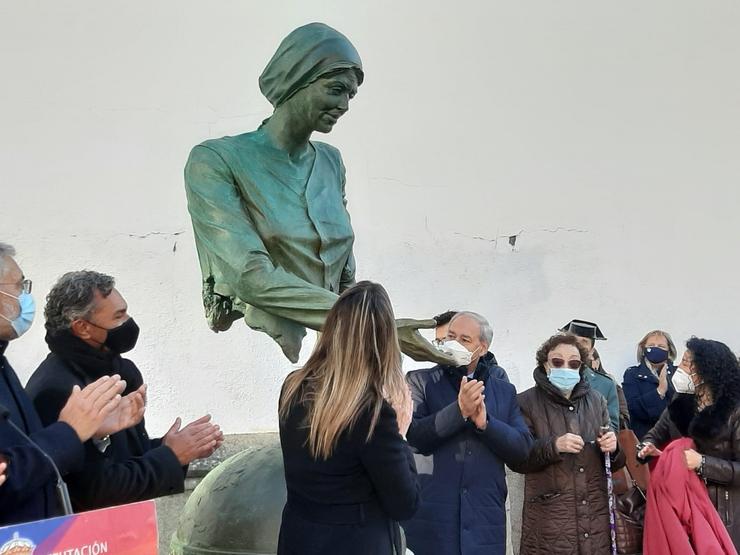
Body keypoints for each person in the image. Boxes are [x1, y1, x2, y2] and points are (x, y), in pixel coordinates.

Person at [184, 22, 450, 366]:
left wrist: (362, 352)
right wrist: (375, 327)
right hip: (271, 329)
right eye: (336, 89)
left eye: (350, 95)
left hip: (331, 349)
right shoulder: (215, 160)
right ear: (297, 80)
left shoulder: (330, 161)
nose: (344, 104)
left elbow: (344, 271)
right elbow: (248, 275)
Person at [26, 270, 224, 511]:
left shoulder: (120, 370)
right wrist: (171, 457)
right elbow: (92, 491)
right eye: (119, 316)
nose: (128, 322)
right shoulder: (58, 389)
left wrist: (174, 446)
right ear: (82, 328)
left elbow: (128, 459)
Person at [277, 281, 418, 554]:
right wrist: (400, 435)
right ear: (383, 340)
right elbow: (404, 504)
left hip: (299, 539)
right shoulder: (372, 412)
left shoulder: (293, 387)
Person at [0, 243, 127, 525]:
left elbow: (26, 453)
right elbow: (11, 479)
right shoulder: (55, 384)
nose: (25, 297)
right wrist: (68, 431)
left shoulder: (3, 363)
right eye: (20, 286)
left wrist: (90, 430)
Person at [404, 311, 532, 555]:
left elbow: (522, 450)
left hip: (484, 521)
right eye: (451, 337)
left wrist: (486, 424)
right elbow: (416, 436)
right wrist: (459, 411)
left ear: (482, 348)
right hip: (433, 519)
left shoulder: (503, 391)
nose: (455, 343)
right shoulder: (421, 382)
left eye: (465, 339)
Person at [510, 333, 624, 555]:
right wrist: (554, 445)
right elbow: (518, 458)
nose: (565, 367)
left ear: (581, 366)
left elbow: (615, 462)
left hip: (594, 513)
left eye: (573, 363)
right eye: (557, 361)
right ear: (545, 364)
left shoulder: (597, 400)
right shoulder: (525, 402)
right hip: (551, 516)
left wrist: (613, 447)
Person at [638, 337, 740, 549]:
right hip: (681, 508)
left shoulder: (734, 411)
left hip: (723, 510)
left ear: (705, 370)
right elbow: (654, 435)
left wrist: (702, 463)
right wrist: (646, 448)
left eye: (686, 363)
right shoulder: (679, 403)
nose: (679, 368)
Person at [560, 319, 620, 431]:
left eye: (584, 341)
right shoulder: (552, 377)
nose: (578, 345)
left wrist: (606, 438)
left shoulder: (606, 384)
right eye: (574, 340)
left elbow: (613, 426)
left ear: (591, 351)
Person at [622, 330, 678, 440]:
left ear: (669, 351)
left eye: (661, 346)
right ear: (643, 349)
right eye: (651, 345)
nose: (656, 349)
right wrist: (660, 391)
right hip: (644, 440)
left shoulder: (678, 374)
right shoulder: (632, 374)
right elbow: (633, 408)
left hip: (673, 439)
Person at [433, 309, 510, 383]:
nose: (446, 346)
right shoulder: (430, 378)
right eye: (439, 341)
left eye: (449, 338)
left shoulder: (496, 375)